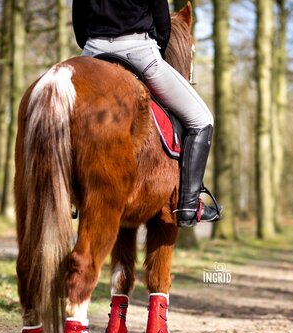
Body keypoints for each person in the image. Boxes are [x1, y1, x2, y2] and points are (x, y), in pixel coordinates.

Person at [72, 0, 221, 227]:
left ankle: (69, 193)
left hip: (91, 52)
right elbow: (162, 24)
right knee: (202, 119)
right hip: (139, 52)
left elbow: (79, 25)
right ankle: (189, 206)